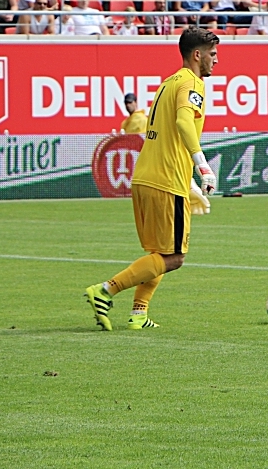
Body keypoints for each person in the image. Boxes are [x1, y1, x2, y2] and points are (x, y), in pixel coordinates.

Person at [84, 28, 219, 331]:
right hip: (165, 180)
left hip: (147, 177)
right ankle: (105, 290)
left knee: (158, 254)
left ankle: (138, 314)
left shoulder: (168, 83)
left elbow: (167, 137)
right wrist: (203, 166)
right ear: (197, 55)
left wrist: (190, 183)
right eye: (212, 54)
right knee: (175, 257)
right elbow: (184, 123)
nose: (216, 61)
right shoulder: (192, 83)